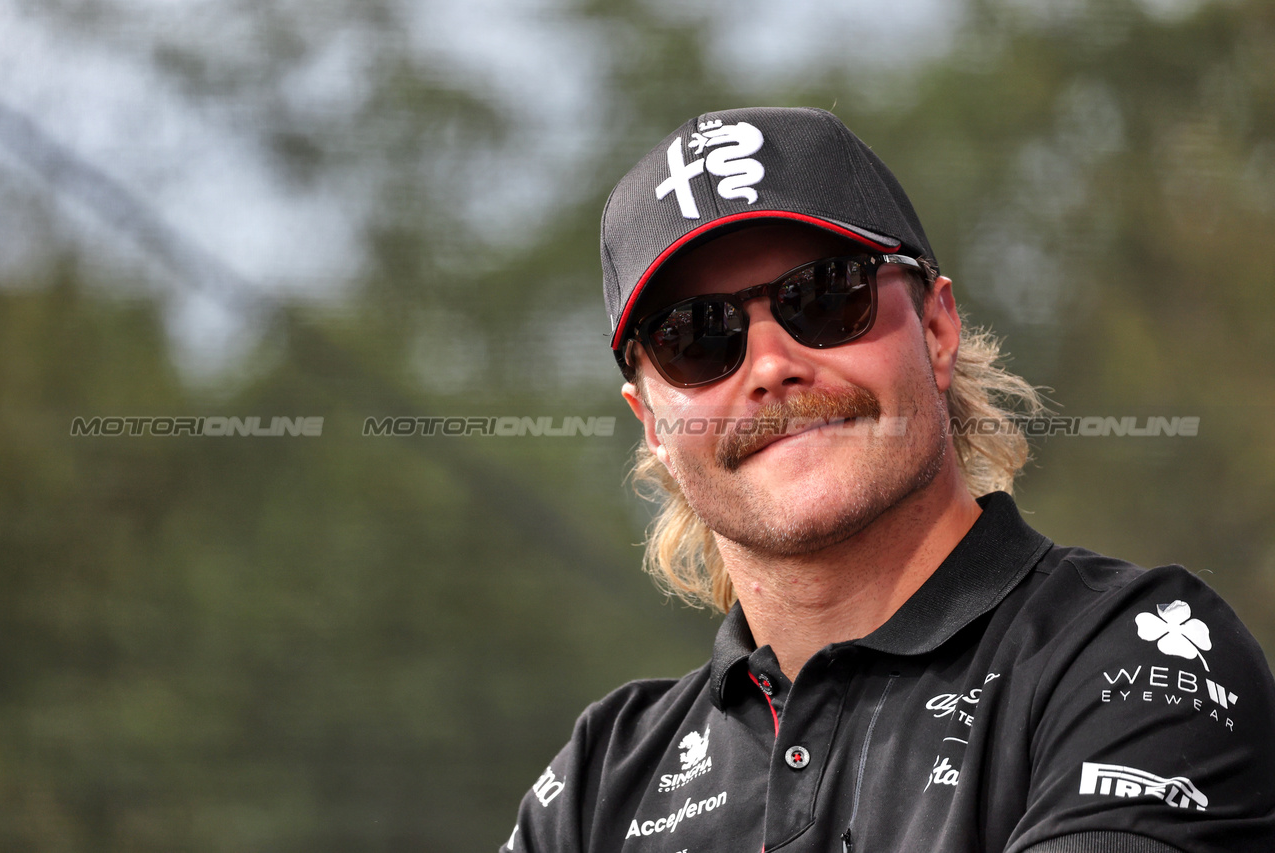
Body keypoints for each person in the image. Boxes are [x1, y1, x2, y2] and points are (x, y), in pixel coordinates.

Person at [501, 107, 1275, 853]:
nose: (771, 367)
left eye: (826, 296)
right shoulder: (600, 780)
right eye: (697, 339)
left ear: (938, 330)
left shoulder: (1135, 655)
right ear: (654, 427)